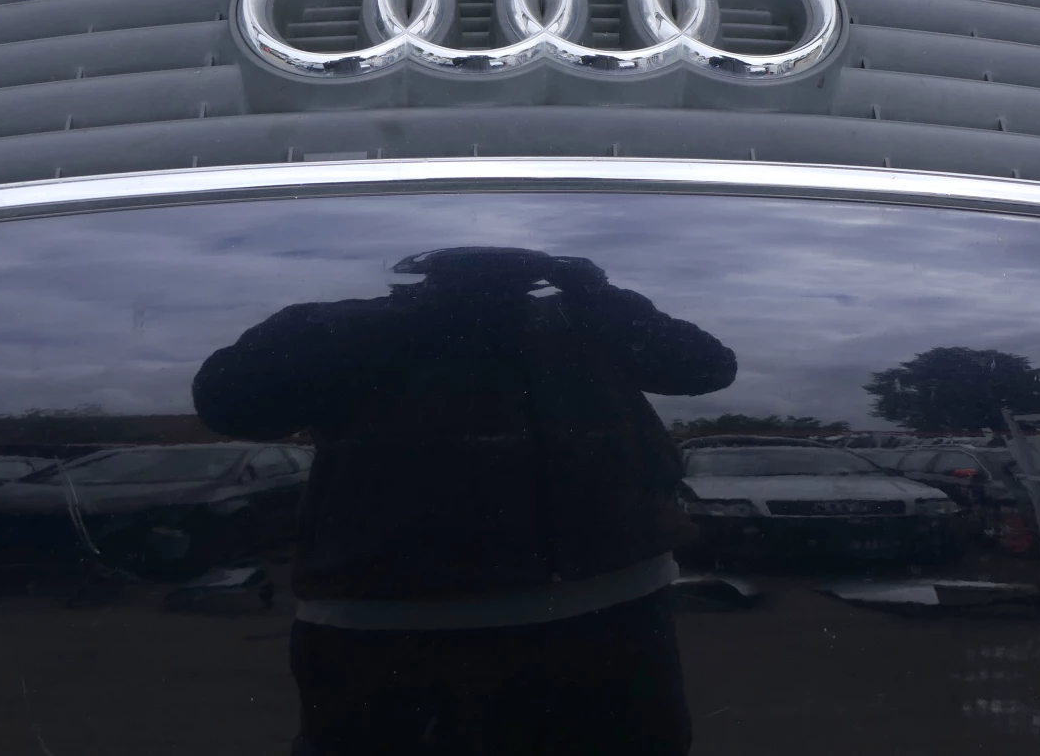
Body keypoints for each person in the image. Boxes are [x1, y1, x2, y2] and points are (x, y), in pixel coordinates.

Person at [192, 246, 737, 756]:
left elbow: (708, 367)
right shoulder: (349, 324)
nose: (486, 284)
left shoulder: (587, 321)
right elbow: (228, 401)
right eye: (466, 274)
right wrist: (425, 318)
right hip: (384, 627)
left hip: (615, 609)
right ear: (423, 279)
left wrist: (599, 296)